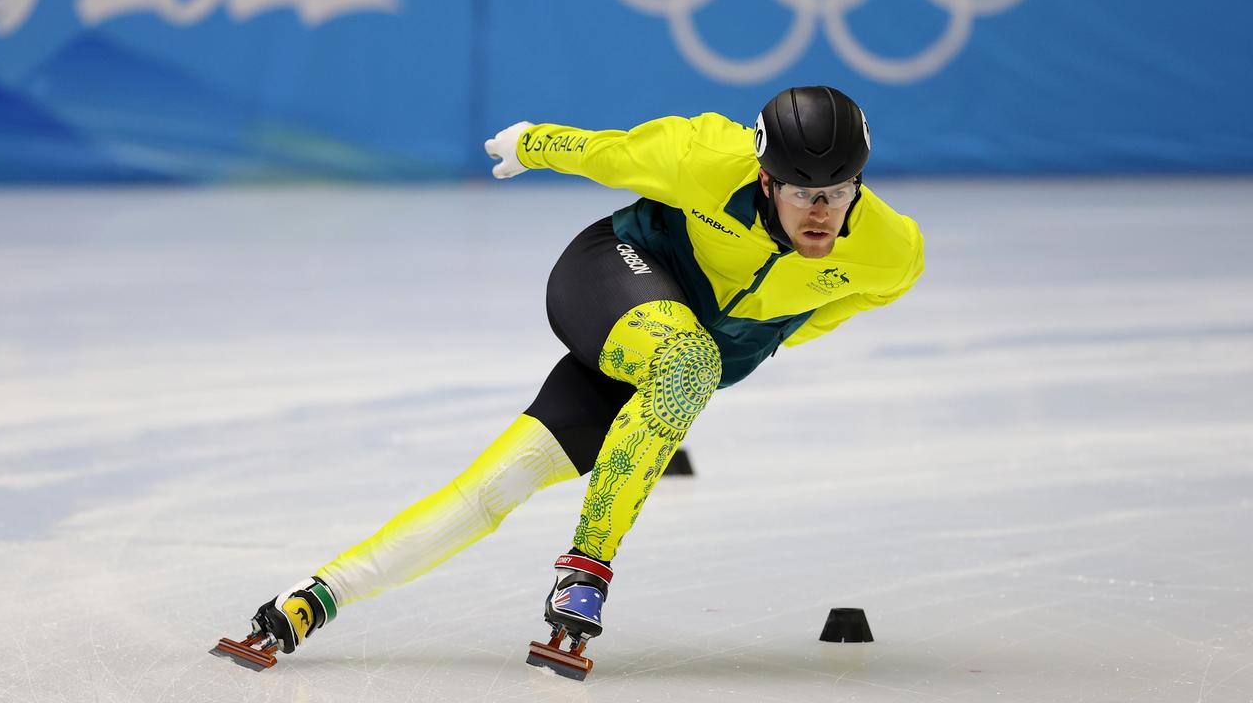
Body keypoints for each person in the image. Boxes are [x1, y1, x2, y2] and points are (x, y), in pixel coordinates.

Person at [229, 85, 924, 679]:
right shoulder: (705, 157)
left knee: (504, 479)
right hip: (611, 274)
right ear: (768, 179)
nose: (820, 214)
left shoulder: (892, 253)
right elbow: (608, 152)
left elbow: (844, 303)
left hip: (681, 356)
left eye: (836, 194)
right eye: (804, 194)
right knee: (688, 362)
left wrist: (763, 337)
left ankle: (316, 595)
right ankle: (586, 572)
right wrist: (532, 143)